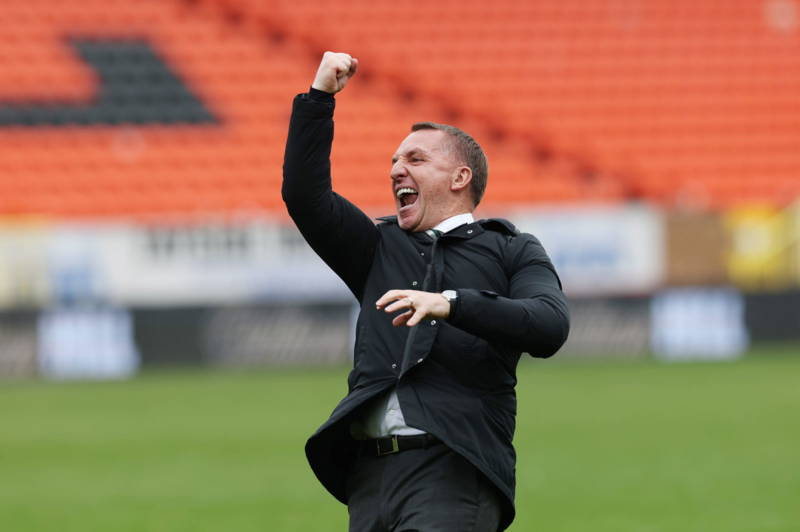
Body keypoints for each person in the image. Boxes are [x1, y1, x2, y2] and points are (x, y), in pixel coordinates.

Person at [282, 51, 570, 532]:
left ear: (460, 178)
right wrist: (319, 99)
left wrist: (451, 304)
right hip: (369, 479)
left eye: (416, 159)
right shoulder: (376, 247)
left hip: (453, 470)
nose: (397, 169)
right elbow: (304, 196)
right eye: (394, 161)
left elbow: (549, 325)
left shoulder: (511, 249)